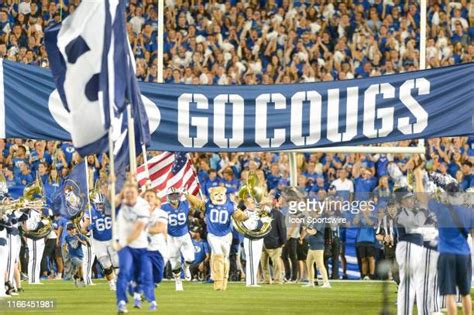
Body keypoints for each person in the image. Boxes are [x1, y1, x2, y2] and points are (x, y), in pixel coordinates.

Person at [414, 168, 473, 315]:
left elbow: (422, 198)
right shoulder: (468, 211)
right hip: (464, 253)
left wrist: (418, 178)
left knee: (450, 295)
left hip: (446, 253)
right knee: (466, 294)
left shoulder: (441, 208)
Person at [187, 186, 247, 290]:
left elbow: (238, 215)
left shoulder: (230, 204)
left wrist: (245, 216)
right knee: (218, 255)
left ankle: (224, 279)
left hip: (226, 235)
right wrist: (188, 195)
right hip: (213, 234)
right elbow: (198, 203)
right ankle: (218, 281)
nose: (219, 197)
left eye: (221, 194)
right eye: (216, 194)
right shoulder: (208, 204)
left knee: (224, 258)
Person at [115, 181, 155, 313]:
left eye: (132, 192)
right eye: (127, 193)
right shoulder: (120, 205)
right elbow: (113, 201)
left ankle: (136, 293)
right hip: (125, 247)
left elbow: (138, 229)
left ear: (138, 194)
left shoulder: (143, 207)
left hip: (140, 246)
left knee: (139, 275)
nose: (130, 195)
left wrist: (124, 242)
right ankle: (121, 302)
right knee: (124, 271)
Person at [394, 187, 428, 315]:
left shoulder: (409, 211)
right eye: (408, 198)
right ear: (401, 200)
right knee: (408, 282)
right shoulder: (401, 213)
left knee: (416, 281)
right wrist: (424, 209)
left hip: (416, 246)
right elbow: (417, 223)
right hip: (408, 246)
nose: (412, 200)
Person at [82, 191, 118, 291]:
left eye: (102, 204)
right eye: (98, 203)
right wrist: (88, 229)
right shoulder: (91, 212)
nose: (100, 206)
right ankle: (111, 283)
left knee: (117, 262)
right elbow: (83, 229)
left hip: (111, 239)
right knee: (106, 265)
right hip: (98, 241)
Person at [161, 187, 194, 291]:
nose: (174, 197)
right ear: (168, 197)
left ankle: (186, 267)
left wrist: (188, 195)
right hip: (171, 237)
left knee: (190, 258)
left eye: (176, 195)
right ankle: (178, 281)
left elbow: (194, 208)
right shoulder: (163, 208)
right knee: (175, 263)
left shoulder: (185, 204)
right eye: (172, 195)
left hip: (184, 235)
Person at [261, 193, 287, 285]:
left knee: (276, 262)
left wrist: (283, 241)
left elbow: (282, 228)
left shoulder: (278, 214)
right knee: (263, 262)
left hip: (274, 242)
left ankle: (278, 279)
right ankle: (267, 279)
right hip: (263, 241)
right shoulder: (261, 214)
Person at [302, 213, 331, 288]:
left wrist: (305, 228)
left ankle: (326, 283)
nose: (311, 212)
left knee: (320, 264)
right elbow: (309, 231)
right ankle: (311, 282)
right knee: (309, 263)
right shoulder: (314, 221)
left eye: (313, 211)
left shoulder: (320, 220)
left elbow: (313, 232)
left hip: (317, 246)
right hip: (312, 246)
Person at [64, 223, 87, 287]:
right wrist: (66, 249)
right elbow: (66, 245)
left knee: (79, 268)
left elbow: (85, 243)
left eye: (73, 228)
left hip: (80, 254)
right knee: (80, 265)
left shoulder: (79, 235)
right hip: (73, 256)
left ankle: (75, 276)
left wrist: (79, 240)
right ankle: (82, 280)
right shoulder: (67, 237)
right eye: (70, 229)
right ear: (68, 230)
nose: (72, 230)